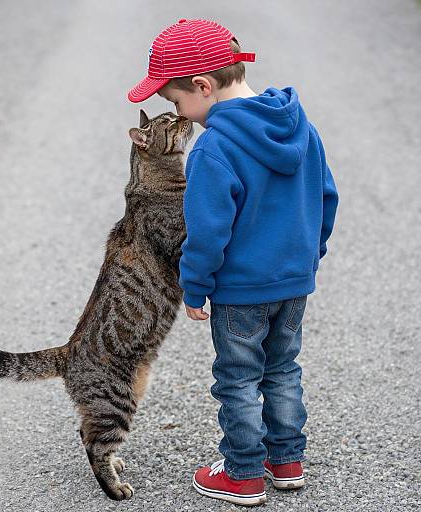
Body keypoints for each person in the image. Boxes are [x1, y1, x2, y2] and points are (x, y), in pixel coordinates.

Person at [127, 18, 338, 507]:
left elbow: (207, 232)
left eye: (177, 102)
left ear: (203, 86)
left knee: (238, 378)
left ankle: (242, 474)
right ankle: (286, 462)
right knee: (283, 369)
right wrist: (310, 256)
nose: (181, 113)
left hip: (240, 292)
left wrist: (194, 286)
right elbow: (326, 197)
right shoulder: (300, 125)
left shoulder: (214, 148)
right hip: (293, 283)